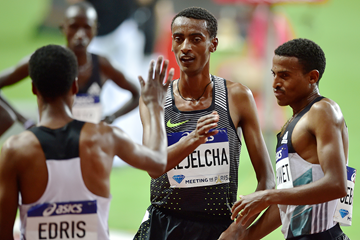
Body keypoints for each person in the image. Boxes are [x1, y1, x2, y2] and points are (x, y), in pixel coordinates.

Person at [0, 45, 174, 239]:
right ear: (75, 86)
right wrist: (155, 107)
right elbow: (158, 163)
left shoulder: (14, 149)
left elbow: (3, 231)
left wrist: (21, 119)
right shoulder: (105, 137)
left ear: (34, 88)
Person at [134, 7, 275, 240]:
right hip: (162, 226)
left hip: (218, 229)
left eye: (196, 39)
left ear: (214, 44)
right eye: (178, 39)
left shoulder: (237, 97)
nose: (186, 47)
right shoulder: (156, 98)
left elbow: (267, 179)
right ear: (172, 45)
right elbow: (153, 165)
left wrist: (240, 226)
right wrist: (194, 138)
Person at [219, 38, 350, 240]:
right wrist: (243, 236)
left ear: (312, 77)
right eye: (274, 74)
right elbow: (289, 200)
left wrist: (267, 196)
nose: (275, 84)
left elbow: (337, 184)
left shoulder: (323, 111)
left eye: (285, 76)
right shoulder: (293, 123)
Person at [0, 2, 140, 126]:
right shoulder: (45, 60)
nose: (80, 35)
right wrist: (23, 121)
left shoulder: (101, 65)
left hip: (89, 149)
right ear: (63, 28)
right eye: (73, 26)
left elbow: (137, 93)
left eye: (87, 27)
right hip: (52, 150)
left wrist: (111, 117)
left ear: (95, 30)